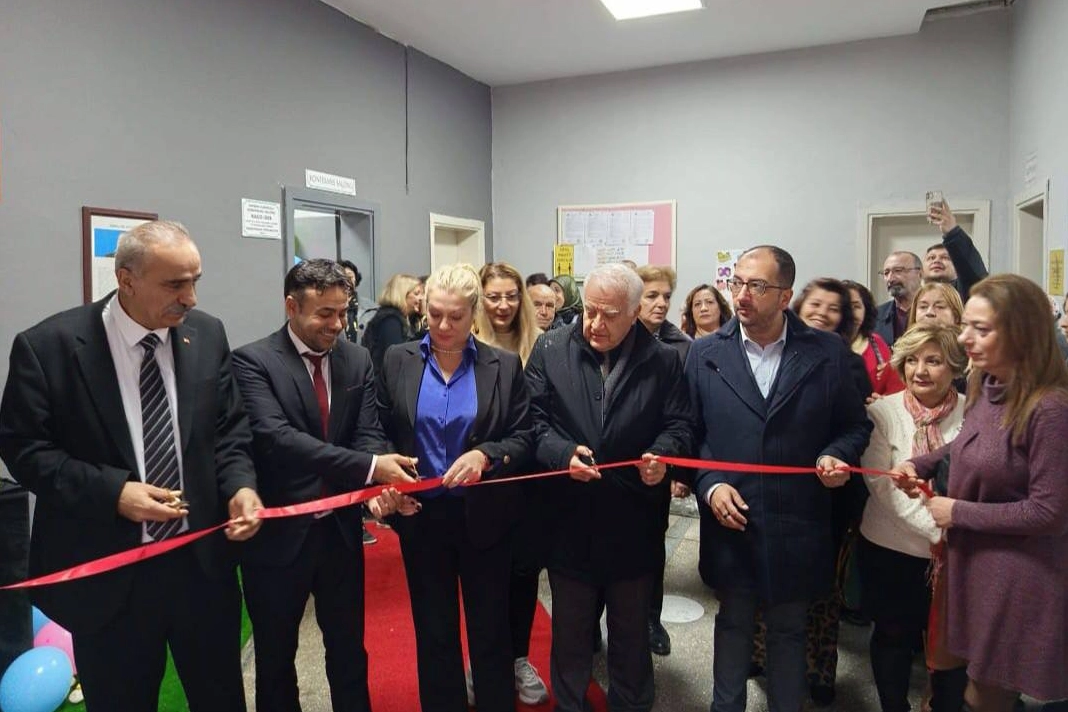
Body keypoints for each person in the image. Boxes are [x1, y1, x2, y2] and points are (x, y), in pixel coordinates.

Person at [0, 220, 263, 711]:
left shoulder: (206, 334)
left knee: (221, 697)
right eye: (175, 284)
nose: (190, 298)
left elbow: (229, 431)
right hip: (109, 577)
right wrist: (114, 493)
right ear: (126, 280)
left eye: (195, 281)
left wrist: (240, 486)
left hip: (201, 569)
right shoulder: (49, 347)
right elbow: (24, 451)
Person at [687, 245, 871, 712]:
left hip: (798, 518)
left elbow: (854, 426)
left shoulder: (826, 352)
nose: (742, 295)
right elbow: (691, 433)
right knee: (733, 625)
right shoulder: (706, 353)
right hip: (733, 517)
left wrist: (836, 454)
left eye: (757, 286)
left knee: (790, 630)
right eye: (737, 283)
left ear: (785, 295)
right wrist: (710, 484)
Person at [232, 259, 420, 712]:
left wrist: (374, 491)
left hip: (339, 535)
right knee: (276, 657)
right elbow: (279, 439)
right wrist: (372, 467)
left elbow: (368, 431)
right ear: (291, 306)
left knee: (349, 651)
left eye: (343, 312)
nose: (337, 324)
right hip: (278, 540)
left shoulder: (355, 359)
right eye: (325, 314)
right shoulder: (253, 361)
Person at [893, 274, 1068, 711]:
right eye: (966, 325)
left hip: (1017, 575)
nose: (964, 338)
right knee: (962, 679)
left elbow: (1050, 513)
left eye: (981, 329)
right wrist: (920, 464)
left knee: (987, 693)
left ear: (1022, 333)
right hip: (974, 561)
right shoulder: (985, 384)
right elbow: (970, 443)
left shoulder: (1050, 409)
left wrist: (957, 512)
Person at [526, 263, 692, 712]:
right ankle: (570, 703)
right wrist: (562, 453)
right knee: (571, 633)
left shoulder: (663, 360)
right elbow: (532, 421)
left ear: (635, 313)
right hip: (569, 518)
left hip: (634, 517)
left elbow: (680, 424)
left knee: (632, 633)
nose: (595, 323)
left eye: (610, 314)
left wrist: (662, 454)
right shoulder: (551, 348)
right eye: (590, 310)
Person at [377, 263, 534, 712]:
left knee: (490, 629)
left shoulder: (502, 365)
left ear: (474, 313)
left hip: (484, 516)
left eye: (456, 317)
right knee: (434, 631)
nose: (444, 326)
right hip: (421, 517)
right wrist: (387, 474)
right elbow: (381, 427)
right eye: (435, 314)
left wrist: (485, 455)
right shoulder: (398, 359)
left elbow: (524, 436)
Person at [858, 324, 968, 712]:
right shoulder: (881, 412)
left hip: (957, 557)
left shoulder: (974, 414)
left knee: (952, 647)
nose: (920, 370)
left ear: (954, 367)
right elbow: (883, 487)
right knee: (892, 638)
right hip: (892, 549)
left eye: (933, 361)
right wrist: (941, 530)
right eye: (912, 360)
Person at [472, 261, 549, 705]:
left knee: (523, 576)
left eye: (511, 296)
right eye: (493, 296)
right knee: (485, 582)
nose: (503, 305)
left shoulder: (540, 345)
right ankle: (484, 661)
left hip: (530, 486)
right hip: (483, 486)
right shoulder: (465, 343)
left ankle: (518, 657)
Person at [634, 264, 692, 656]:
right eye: (651, 295)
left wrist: (677, 468)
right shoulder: (611, 340)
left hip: (659, 461)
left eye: (666, 297)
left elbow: (686, 416)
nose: (660, 304)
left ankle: (651, 620)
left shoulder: (680, 346)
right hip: (617, 460)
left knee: (653, 546)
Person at [842, 280, 904, 396]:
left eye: (856, 306)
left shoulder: (876, 343)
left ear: (866, 310)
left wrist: (881, 401)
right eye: (844, 307)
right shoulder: (824, 345)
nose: (851, 313)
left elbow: (893, 389)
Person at [475, 262, 542, 365]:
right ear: (479, 299)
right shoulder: (467, 341)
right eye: (494, 298)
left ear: (521, 298)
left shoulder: (539, 339)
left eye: (511, 296)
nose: (504, 306)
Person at [925, 200, 989, 302]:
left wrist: (953, 233)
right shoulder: (913, 297)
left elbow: (974, 275)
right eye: (931, 258)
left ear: (956, 266)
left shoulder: (966, 295)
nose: (936, 261)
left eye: (945, 257)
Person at [361, 273, 422, 374]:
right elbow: (397, 360)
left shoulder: (405, 319)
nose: (421, 298)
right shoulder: (390, 321)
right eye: (416, 294)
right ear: (402, 294)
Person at [874, 251, 923, 347]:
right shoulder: (875, 316)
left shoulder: (936, 312)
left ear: (920, 274)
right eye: (886, 273)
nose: (890, 279)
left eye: (898, 271)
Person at [338, 258, 363, 343]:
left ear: (356, 279)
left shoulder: (370, 308)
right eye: (342, 277)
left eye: (350, 277)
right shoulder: (330, 306)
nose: (347, 281)